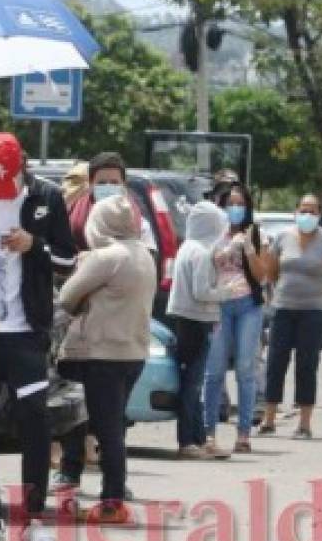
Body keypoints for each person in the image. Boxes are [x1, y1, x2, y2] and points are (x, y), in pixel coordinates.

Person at [0, 132, 77, 541]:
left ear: (22, 164)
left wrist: (36, 246)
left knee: (35, 421)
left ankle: (33, 520)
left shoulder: (46, 197)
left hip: (27, 328)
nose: (1, 189)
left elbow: (69, 259)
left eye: (7, 180)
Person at [56, 151, 158, 489]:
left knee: (98, 423)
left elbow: (68, 297)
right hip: (131, 350)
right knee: (111, 423)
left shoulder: (104, 257)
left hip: (97, 351)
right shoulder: (143, 252)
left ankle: (112, 491)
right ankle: (109, 486)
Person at [261, 194, 322, 439]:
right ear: (296, 211)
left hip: (315, 311)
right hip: (283, 308)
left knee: (307, 364)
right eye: (303, 210)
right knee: (276, 362)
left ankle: (304, 423)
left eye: (312, 211)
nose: (307, 215)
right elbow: (272, 272)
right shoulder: (282, 238)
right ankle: (269, 418)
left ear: (319, 214)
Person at [167, 200, 237, 459]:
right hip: (196, 320)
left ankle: (199, 439)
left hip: (188, 318)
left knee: (192, 381)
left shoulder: (188, 247)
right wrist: (226, 292)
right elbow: (201, 291)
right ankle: (188, 441)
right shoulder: (201, 253)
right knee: (192, 384)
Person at [202, 183, 267, 454]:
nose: (235, 209)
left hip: (247, 305)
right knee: (214, 370)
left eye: (240, 204)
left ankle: (243, 434)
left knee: (245, 369)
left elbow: (262, 274)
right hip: (218, 305)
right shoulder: (212, 234)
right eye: (231, 203)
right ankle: (209, 432)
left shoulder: (255, 233)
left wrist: (249, 249)